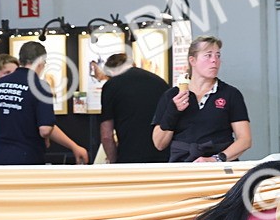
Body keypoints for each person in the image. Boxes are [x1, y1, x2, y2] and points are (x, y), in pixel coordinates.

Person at [152, 35, 252, 163]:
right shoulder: (172, 96)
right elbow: (159, 144)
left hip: (219, 167)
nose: (214, 60)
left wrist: (216, 159)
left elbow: (245, 139)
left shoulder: (230, 94)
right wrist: (173, 111)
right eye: (208, 55)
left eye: (218, 55)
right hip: (183, 166)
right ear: (192, 61)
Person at [0, 41, 89, 165]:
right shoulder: (40, 86)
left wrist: (73, 146)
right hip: (26, 158)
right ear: (41, 62)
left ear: (20, 60)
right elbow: (45, 129)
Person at [99, 53, 170, 163]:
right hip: (163, 156)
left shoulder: (111, 85)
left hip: (129, 157)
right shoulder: (160, 82)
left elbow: (106, 136)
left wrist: (112, 163)